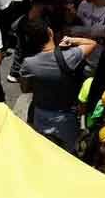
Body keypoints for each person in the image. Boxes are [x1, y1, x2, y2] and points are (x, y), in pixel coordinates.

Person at [18, 21, 95, 151]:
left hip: (41, 114)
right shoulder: (68, 56)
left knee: (43, 150)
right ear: (50, 32)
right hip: (66, 116)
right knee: (68, 153)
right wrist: (71, 40)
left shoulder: (29, 64)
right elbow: (91, 43)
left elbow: (25, 89)